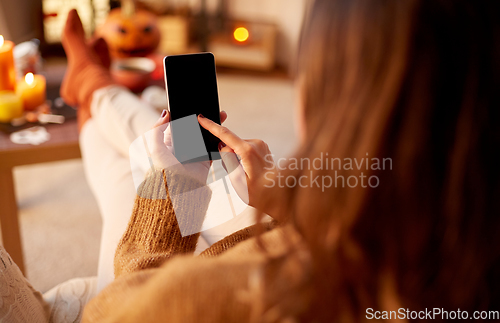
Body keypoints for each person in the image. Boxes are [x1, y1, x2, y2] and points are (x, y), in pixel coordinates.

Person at [2, 0, 500, 321]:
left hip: (178, 265)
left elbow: (110, 314)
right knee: (148, 155)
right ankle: (94, 86)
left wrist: (171, 190)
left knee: (148, 157)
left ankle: (90, 85)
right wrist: (287, 203)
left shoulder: (255, 293)